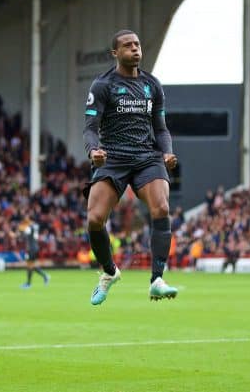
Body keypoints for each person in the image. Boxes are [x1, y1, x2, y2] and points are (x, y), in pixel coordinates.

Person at [82, 29, 178, 305]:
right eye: (127, 45)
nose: (135, 49)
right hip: (113, 158)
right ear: (115, 53)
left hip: (147, 157)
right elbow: (90, 128)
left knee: (161, 207)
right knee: (94, 219)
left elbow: (161, 129)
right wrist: (94, 152)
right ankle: (109, 272)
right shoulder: (102, 86)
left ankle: (157, 279)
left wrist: (167, 153)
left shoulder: (153, 85)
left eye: (137, 44)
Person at [18, 215, 50, 289]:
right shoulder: (36, 226)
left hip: (31, 248)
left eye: (26, 218)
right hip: (35, 247)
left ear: (29, 219)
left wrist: (19, 231)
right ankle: (45, 276)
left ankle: (28, 284)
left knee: (29, 265)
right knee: (31, 265)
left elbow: (24, 235)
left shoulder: (29, 227)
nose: (25, 220)